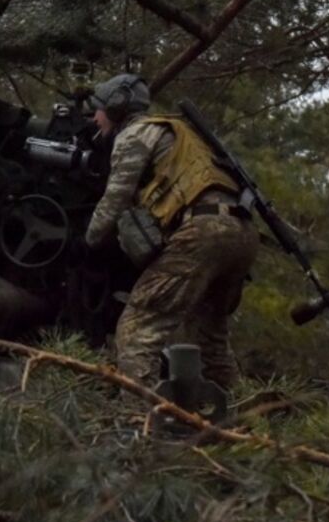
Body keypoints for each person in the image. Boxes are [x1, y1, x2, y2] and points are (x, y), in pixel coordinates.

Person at [83, 74, 258, 390]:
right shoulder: (182, 134)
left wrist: (89, 240)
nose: (94, 118)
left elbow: (115, 199)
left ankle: (142, 423)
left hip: (203, 231)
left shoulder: (136, 134)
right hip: (242, 232)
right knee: (210, 339)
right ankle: (246, 421)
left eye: (96, 109)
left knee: (136, 331)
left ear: (116, 107)